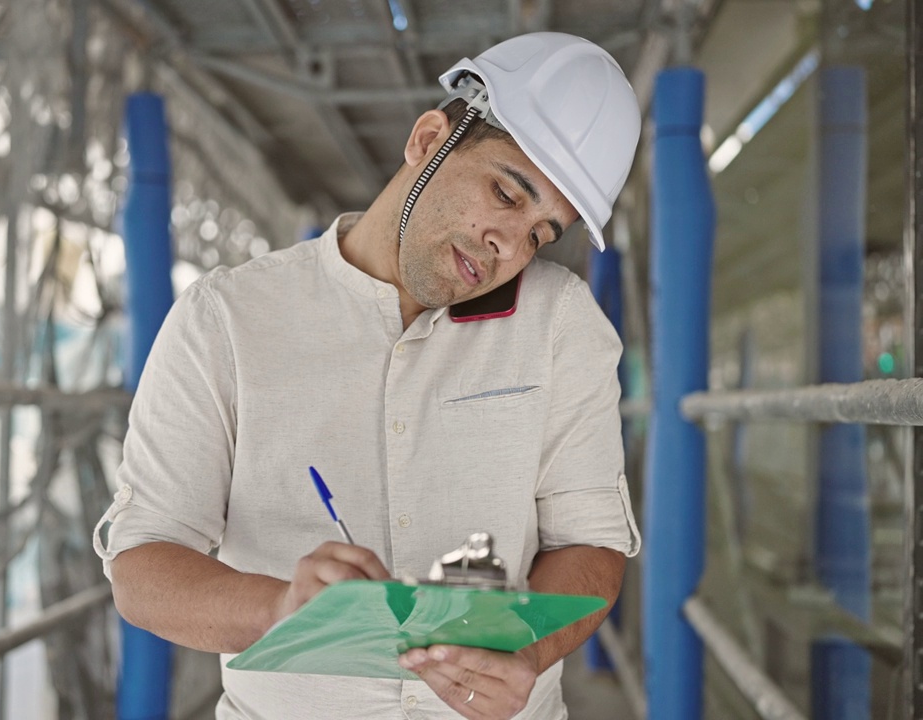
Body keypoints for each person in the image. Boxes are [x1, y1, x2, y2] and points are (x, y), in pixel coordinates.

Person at [95, 31, 643, 719]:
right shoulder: (229, 320)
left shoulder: (559, 322)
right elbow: (143, 565)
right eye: (507, 192)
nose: (511, 245)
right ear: (427, 139)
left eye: (541, 233)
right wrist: (280, 608)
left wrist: (529, 650)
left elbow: (592, 547)